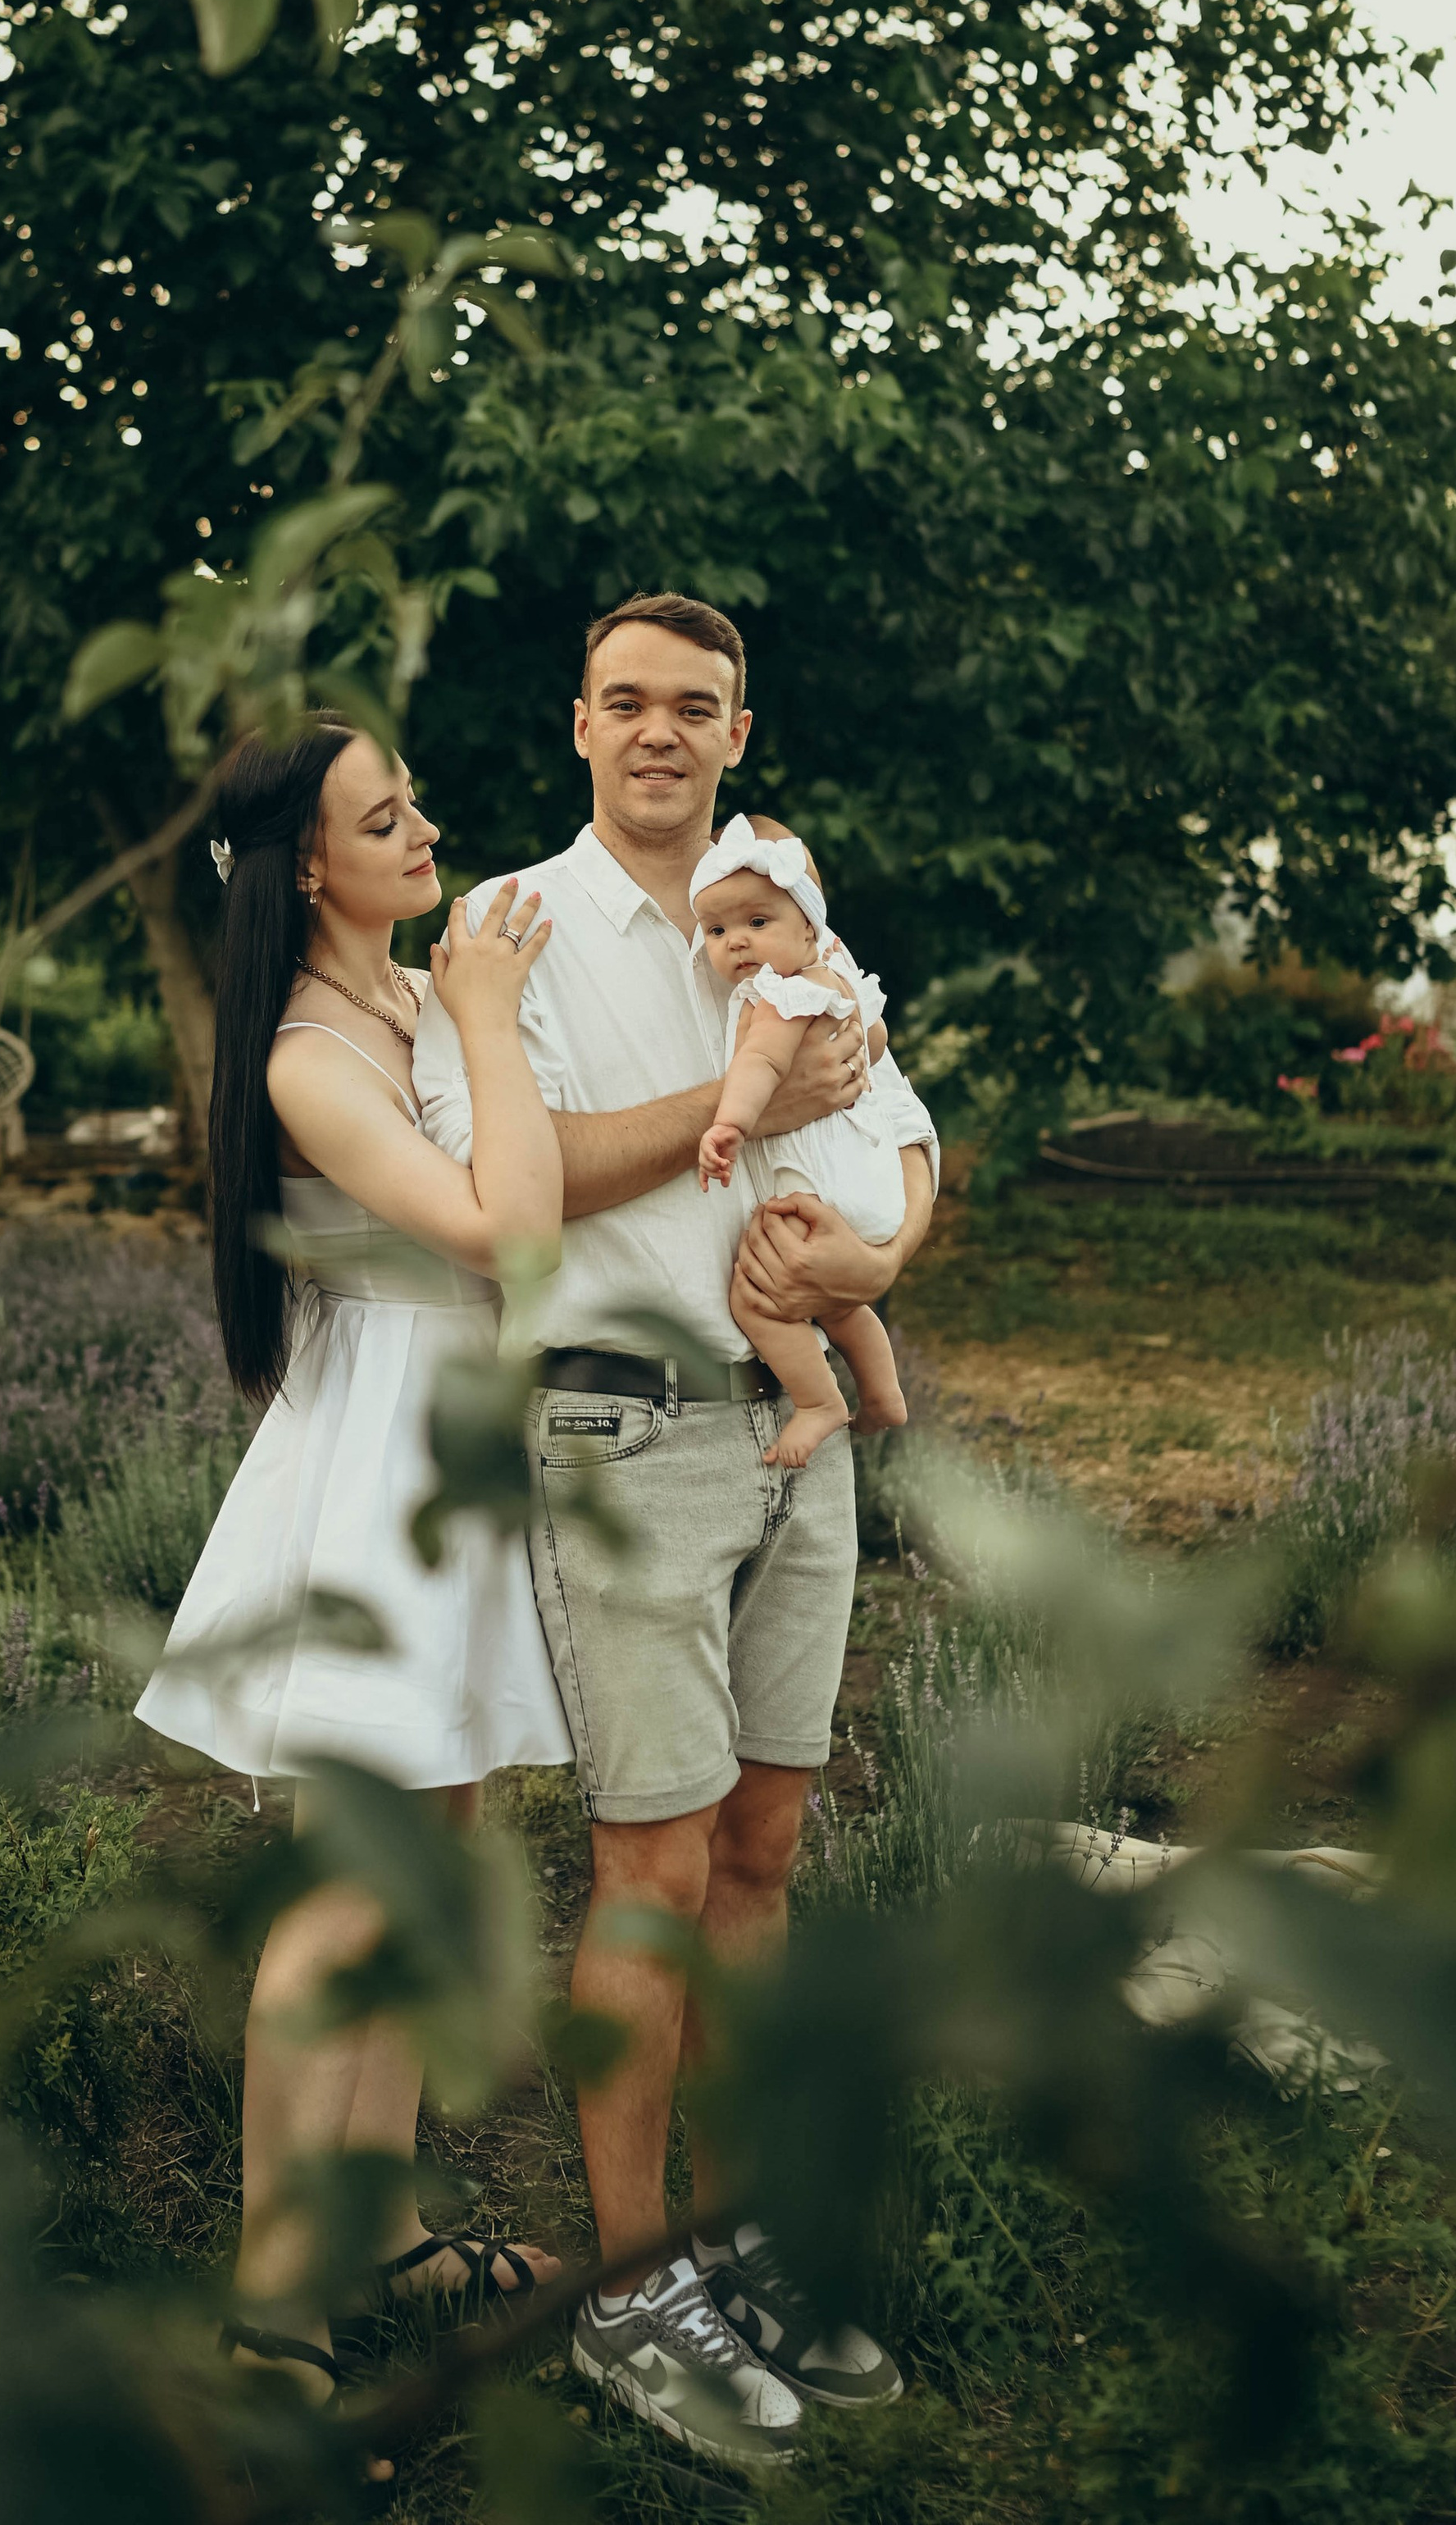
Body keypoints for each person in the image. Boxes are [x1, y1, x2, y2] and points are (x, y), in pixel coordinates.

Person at [413, 592, 938, 2468]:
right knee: (646, 1861)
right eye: (623, 699)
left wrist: (873, 1241)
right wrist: (734, 1107)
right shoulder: (504, 930)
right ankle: (631, 2284)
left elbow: (897, 1129)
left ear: (734, 724)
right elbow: (502, 1198)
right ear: (575, 721)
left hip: (792, 1431)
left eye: (691, 704)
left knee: (762, 1844)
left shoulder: (784, 908)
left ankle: (742, 2239)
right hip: (618, 1420)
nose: (657, 728)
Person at [134, 717, 573, 2433]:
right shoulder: (315, 1053)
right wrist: (484, 1018)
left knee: (436, 1846)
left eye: (416, 798)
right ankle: (263, 2307)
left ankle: (381, 2225)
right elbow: (503, 1231)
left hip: (458, 1453)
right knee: (340, 1892)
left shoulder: (399, 1002)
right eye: (384, 817)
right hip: (378, 1480)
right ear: (304, 868)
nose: (424, 827)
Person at [692, 809, 939, 1460]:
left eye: (756, 923)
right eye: (717, 929)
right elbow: (876, 1044)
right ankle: (883, 1393)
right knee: (834, 1304)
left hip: (823, 1191)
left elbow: (762, 1064)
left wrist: (729, 1124)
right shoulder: (835, 979)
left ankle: (820, 1400)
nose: (736, 943)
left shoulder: (783, 992)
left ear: (810, 924)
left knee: (760, 1300)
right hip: (868, 1186)